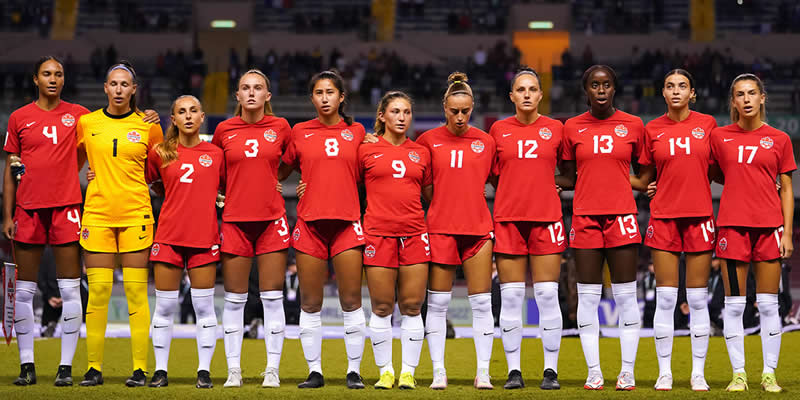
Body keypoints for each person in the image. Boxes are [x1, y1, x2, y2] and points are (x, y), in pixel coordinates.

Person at [2, 56, 156, 387]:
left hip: (101, 213)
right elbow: (30, 165)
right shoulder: (48, 120)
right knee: (59, 293)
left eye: (58, 74)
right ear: (35, 79)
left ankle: (102, 368)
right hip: (61, 213)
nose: (53, 79)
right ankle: (58, 367)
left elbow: (152, 167)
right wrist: (9, 211)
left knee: (103, 292)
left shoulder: (115, 121)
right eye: (47, 74)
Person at [76, 61, 163, 387]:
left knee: (136, 294)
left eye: (125, 84)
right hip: (96, 215)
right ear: (105, 87)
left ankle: (139, 369)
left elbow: (162, 168)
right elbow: (72, 162)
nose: (118, 89)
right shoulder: (87, 123)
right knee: (98, 291)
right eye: (113, 83)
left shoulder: (148, 125)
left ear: (134, 89)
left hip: (136, 216)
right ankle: (94, 369)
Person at [630, 69, 718, 391]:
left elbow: (719, 170)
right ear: (663, 93)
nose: (676, 91)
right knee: (665, 300)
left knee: (697, 300)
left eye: (682, 86)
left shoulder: (708, 125)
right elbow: (644, 178)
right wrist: (603, 174)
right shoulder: (651, 129)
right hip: (664, 218)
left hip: (699, 218)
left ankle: (698, 373)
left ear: (692, 93)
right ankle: (664, 371)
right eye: (670, 86)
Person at [279, 70, 368, 389]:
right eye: (319, 92)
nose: (325, 97)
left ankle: (353, 371)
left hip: (346, 225)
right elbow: (274, 172)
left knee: (351, 300)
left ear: (342, 97)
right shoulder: (299, 131)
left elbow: (371, 172)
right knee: (310, 302)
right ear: (312, 98)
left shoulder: (358, 132)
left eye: (331, 92)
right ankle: (314, 371)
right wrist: (300, 186)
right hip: (310, 226)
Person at [560, 65, 644, 391]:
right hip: (585, 218)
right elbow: (567, 175)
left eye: (606, 84)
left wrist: (638, 186)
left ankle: (627, 372)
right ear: (586, 90)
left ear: (614, 88)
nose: (600, 90)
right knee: (588, 299)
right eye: (594, 85)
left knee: (626, 299)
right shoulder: (571, 127)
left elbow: (645, 172)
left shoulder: (634, 125)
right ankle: (593, 371)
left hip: (622, 216)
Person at [711, 73, 794, 393]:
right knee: (734, 305)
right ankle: (740, 374)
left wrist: (786, 233)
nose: (746, 99)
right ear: (733, 102)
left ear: (762, 99)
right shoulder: (719, 137)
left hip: (769, 228)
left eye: (751, 94)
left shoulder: (780, 139)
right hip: (732, 227)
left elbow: (786, 189)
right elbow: (710, 171)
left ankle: (769, 374)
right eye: (740, 95)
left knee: (770, 304)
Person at [416, 72, 496, 390]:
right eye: (454, 111)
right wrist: (444, 207)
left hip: (477, 229)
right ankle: (439, 371)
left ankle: (484, 372)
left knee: (481, 303)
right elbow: (423, 187)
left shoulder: (486, 141)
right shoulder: (428, 141)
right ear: (444, 108)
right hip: (440, 230)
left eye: (465, 111)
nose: (460, 117)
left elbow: (501, 181)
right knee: (437, 303)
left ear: (472, 107)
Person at [211, 69, 291, 388]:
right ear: (238, 96)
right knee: (234, 300)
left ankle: (272, 370)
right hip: (234, 221)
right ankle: (234, 370)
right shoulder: (224, 130)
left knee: (272, 299)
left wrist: (282, 181)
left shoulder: (282, 127)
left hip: (272, 221)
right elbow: (213, 170)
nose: (252, 92)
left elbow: (295, 161)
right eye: (246, 88)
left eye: (258, 88)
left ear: (267, 96)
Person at [489, 67, 568, 390]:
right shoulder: (497, 130)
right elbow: (493, 174)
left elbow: (570, 175)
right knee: (511, 298)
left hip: (547, 218)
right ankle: (514, 371)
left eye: (532, 89)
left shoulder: (556, 129)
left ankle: (550, 371)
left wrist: (552, 185)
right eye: (520, 89)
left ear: (540, 94)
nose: (526, 94)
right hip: (508, 219)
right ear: (512, 96)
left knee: (548, 295)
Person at [145, 95, 222, 389]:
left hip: (203, 237)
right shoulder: (160, 152)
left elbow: (226, 185)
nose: (188, 116)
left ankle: (204, 372)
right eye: (181, 112)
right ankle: (161, 371)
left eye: (193, 111)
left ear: (202, 117)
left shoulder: (216, 154)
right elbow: (152, 184)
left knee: (204, 309)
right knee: (164, 308)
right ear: (173, 119)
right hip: (168, 236)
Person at [359, 91, 431, 390]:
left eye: (407, 112)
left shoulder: (422, 152)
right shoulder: (364, 150)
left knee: (413, 306)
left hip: (415, 233)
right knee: (382, 306)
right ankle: (386, 371)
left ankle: (408, 373)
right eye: (395, 112)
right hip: (377, 233)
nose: (402, 117)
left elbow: (431, 196)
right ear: (382, 116)